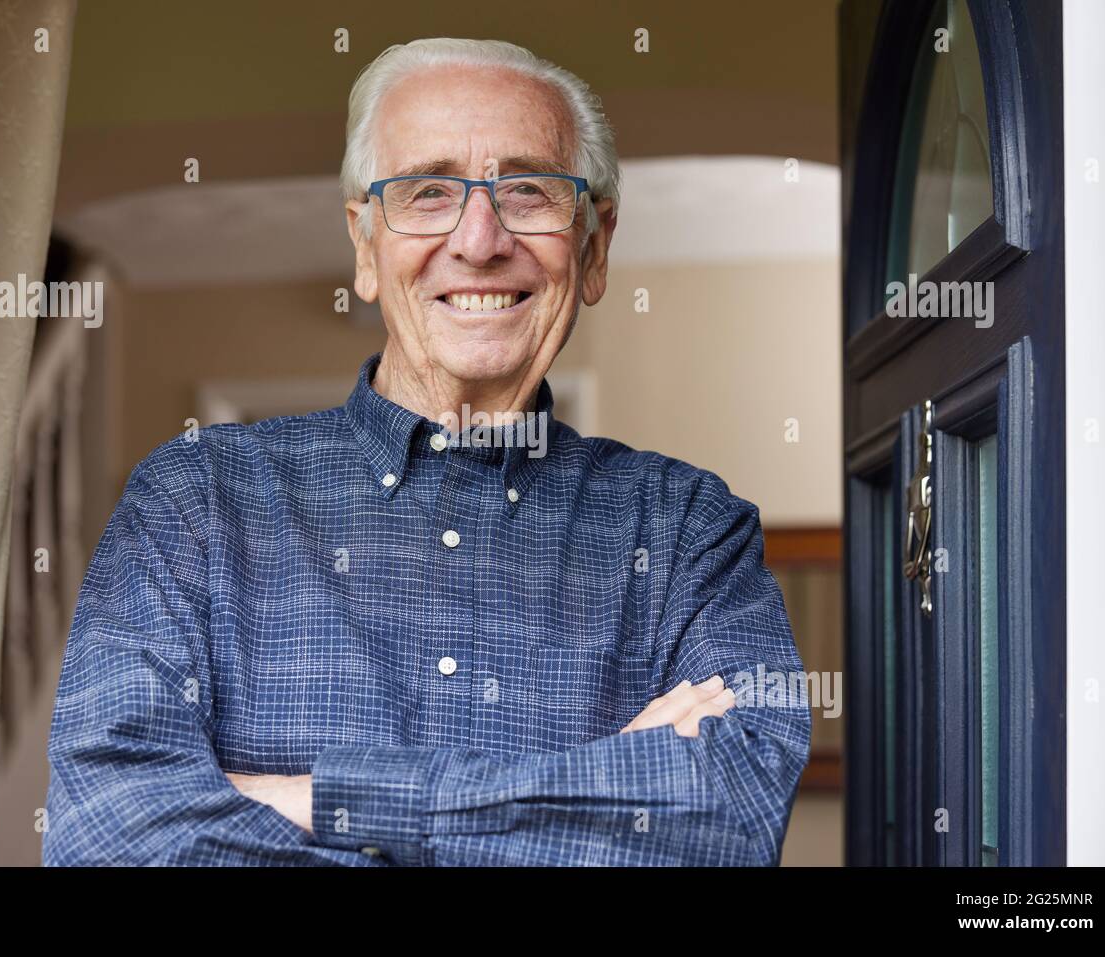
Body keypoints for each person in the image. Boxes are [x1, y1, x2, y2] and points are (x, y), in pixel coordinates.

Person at [43, 37, 810, 866]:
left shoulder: (691, 529)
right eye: (428, 191)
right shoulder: (193, 497)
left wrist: (313, 797)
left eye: (528, 190)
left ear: (594, 248)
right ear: (365, 245)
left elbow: (727, 826)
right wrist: (596, 788)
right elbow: (109, 840)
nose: (479, 239)